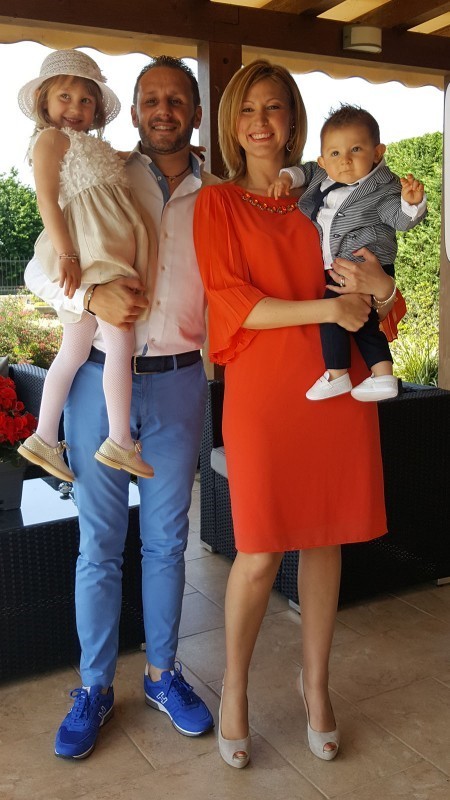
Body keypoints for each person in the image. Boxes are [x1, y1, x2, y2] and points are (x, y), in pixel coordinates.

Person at [193, 60, 393, 767]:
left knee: (324, 539)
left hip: (339, 389)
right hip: (264, 394)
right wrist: (326, 310)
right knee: (257, 550)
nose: (260, 121)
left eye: (274, 107)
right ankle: (236, 688)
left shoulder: (331, 192)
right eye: (248, 109)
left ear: (293, 120)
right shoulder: (217, 203)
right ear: (232, 123)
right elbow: (233, 302)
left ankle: (317, 686)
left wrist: (379, 287)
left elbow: (378, 288)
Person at [25, 54, 219, 760]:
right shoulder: (102, 167)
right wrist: (89, 293)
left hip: (179, 380)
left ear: (195, 112)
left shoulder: (218, 196)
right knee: (100, 545)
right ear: (133, 111)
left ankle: (164, 674)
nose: (164, 109)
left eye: (177, 99)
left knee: (169, 542)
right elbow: (38, 268)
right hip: (96, 380)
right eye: (151, 99)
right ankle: (95, 686)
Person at [17, 49, 155, 481]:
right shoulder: (49, 140)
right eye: (65, 97)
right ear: (44, 102)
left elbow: (126, 158)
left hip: (103, 247)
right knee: (120, 341)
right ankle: (119, 440)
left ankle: (43, 436)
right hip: (94, 250)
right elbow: (47, 200)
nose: (75, 107)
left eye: (85, 100)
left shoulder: (92, 145)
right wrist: (67, 254)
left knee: (74, 349)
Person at [270, 104, 427, 403]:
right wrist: (286, 178)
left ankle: (337, 374)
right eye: (334, 153)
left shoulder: (382, 189)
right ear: (323, 160)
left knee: (331, 312)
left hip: (364, 267)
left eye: (356, 149)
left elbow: (400, 220)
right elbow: (304, 171)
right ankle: (383, 376)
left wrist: (411, 203)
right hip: (344, 268)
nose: (344, 160)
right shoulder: (322, 174)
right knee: (365, 323)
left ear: (377, 153)